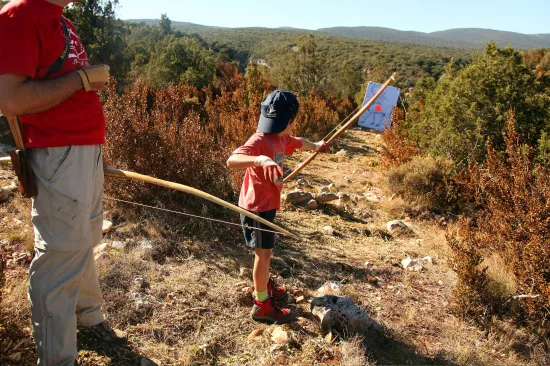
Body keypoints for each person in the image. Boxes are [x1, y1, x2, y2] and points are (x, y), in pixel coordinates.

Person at [0, 0, 125, 364]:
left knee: (84, 239)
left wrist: (94, 151)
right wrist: (81, 79)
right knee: (59, 260)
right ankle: (58, 359)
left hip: (82, 152)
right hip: (58, 155)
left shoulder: (62, 20)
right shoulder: (18, 15)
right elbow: (10, 99)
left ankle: (89, 317)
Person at [226, 90, 328, 324]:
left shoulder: (281, 137)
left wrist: (317, 146)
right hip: (256, 206)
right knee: (263, 255)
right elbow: (233, 160)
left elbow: (299, 143)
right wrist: (261, 159)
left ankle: (264, 284)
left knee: (266, 252)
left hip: (268, 204)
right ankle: (262, 305)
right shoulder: (260, 139)